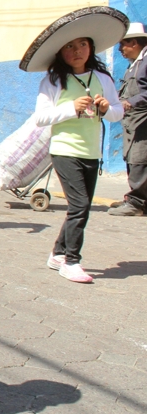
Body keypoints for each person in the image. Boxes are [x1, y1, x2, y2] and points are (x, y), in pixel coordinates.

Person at [33, 36, 122, 282]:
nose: (76, 51)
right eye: (69, 46)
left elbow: (117, 112)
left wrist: (105, 109)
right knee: (81, 204)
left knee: (78, 207)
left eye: (82, 44)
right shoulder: (53, 81)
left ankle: (57, 254)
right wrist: (72, 107)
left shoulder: (102, 79)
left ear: (91, 48)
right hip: (64, 150)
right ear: (60, 52)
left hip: (92, 152)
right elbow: (41, 117)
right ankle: (71, 261)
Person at [110, 23, 147, 216]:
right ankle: (137, 199)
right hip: (132, 122)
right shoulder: (134, 64)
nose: (120, 49)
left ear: (135, 42)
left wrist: (129, 102)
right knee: (132, 159)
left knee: (139, 160)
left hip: (143, 121)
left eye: (123, 44)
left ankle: (137, 203)